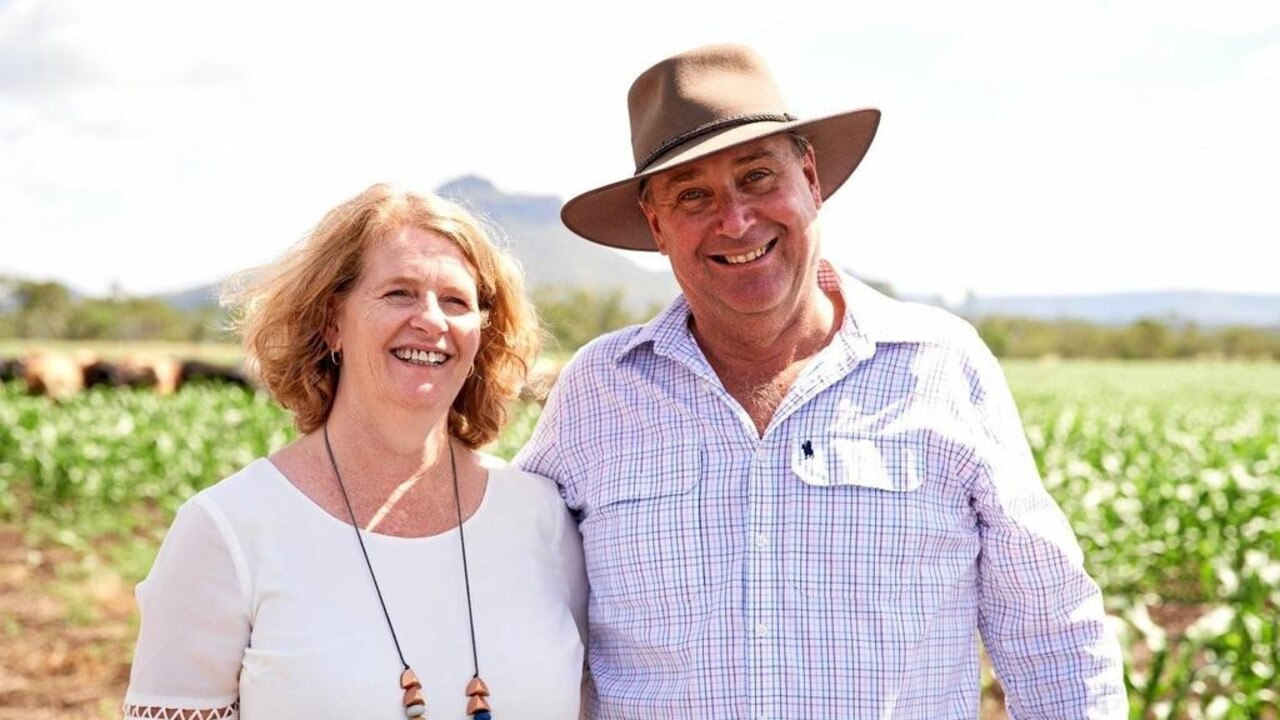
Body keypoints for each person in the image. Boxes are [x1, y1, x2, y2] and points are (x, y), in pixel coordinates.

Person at [518, 43, 1127, 718]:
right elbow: (509, 595)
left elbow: (1052, 635)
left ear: (809, 177)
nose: (736, 220)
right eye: (693, 195)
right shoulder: (598, 391)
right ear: (657, 224)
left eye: (756, 178)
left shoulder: (940, 365)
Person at [124, 184, 587, 719]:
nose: (432, 321)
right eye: (399, 293)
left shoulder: (543, 516)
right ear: (330, 321)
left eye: (457, 301)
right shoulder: (227, 530)